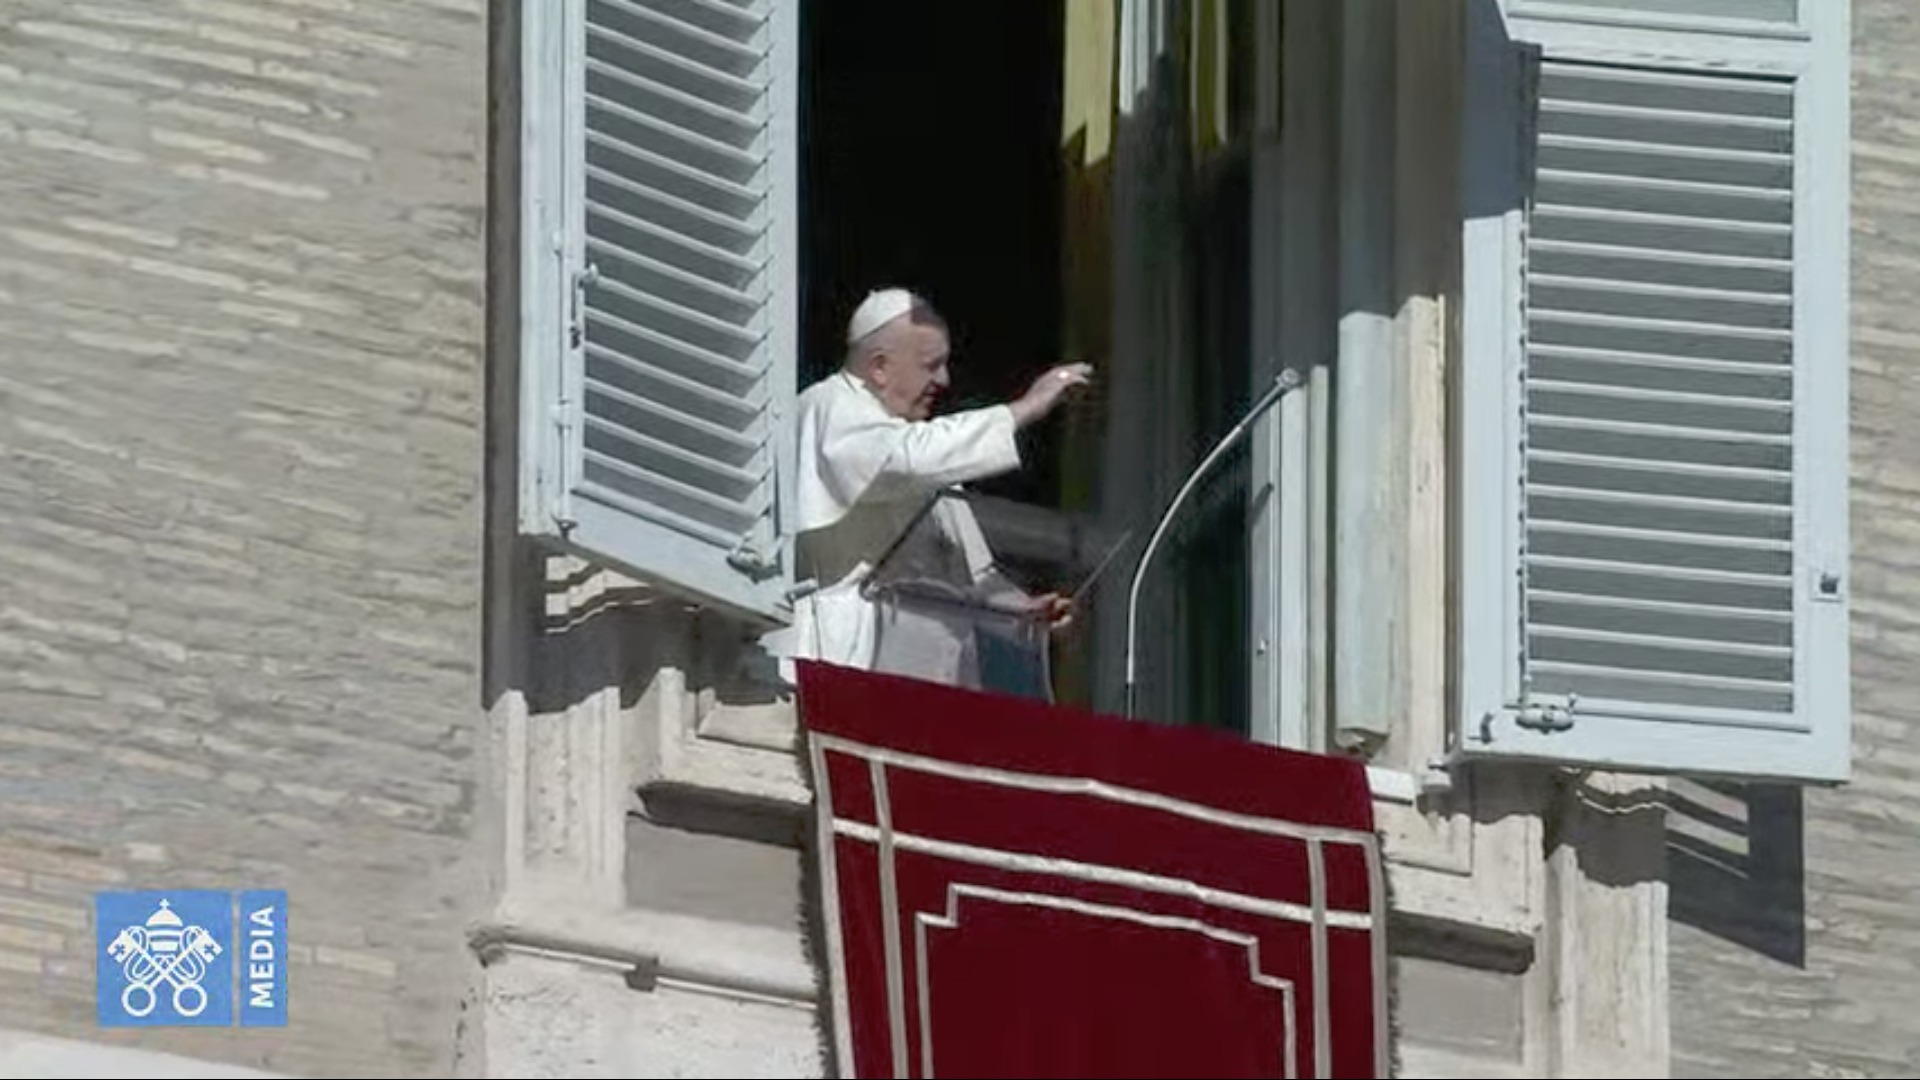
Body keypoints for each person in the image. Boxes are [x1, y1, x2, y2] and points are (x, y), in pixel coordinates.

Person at [764, 287, 1093, 687]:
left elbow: (967, 571)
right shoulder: (830, 405)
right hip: (842, 654)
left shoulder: (922, 450)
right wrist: (1023, 410)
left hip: (929, 675)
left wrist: (1022, 608)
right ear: (879, 367)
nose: (944, 380)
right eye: (931, 365)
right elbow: (904, 459)